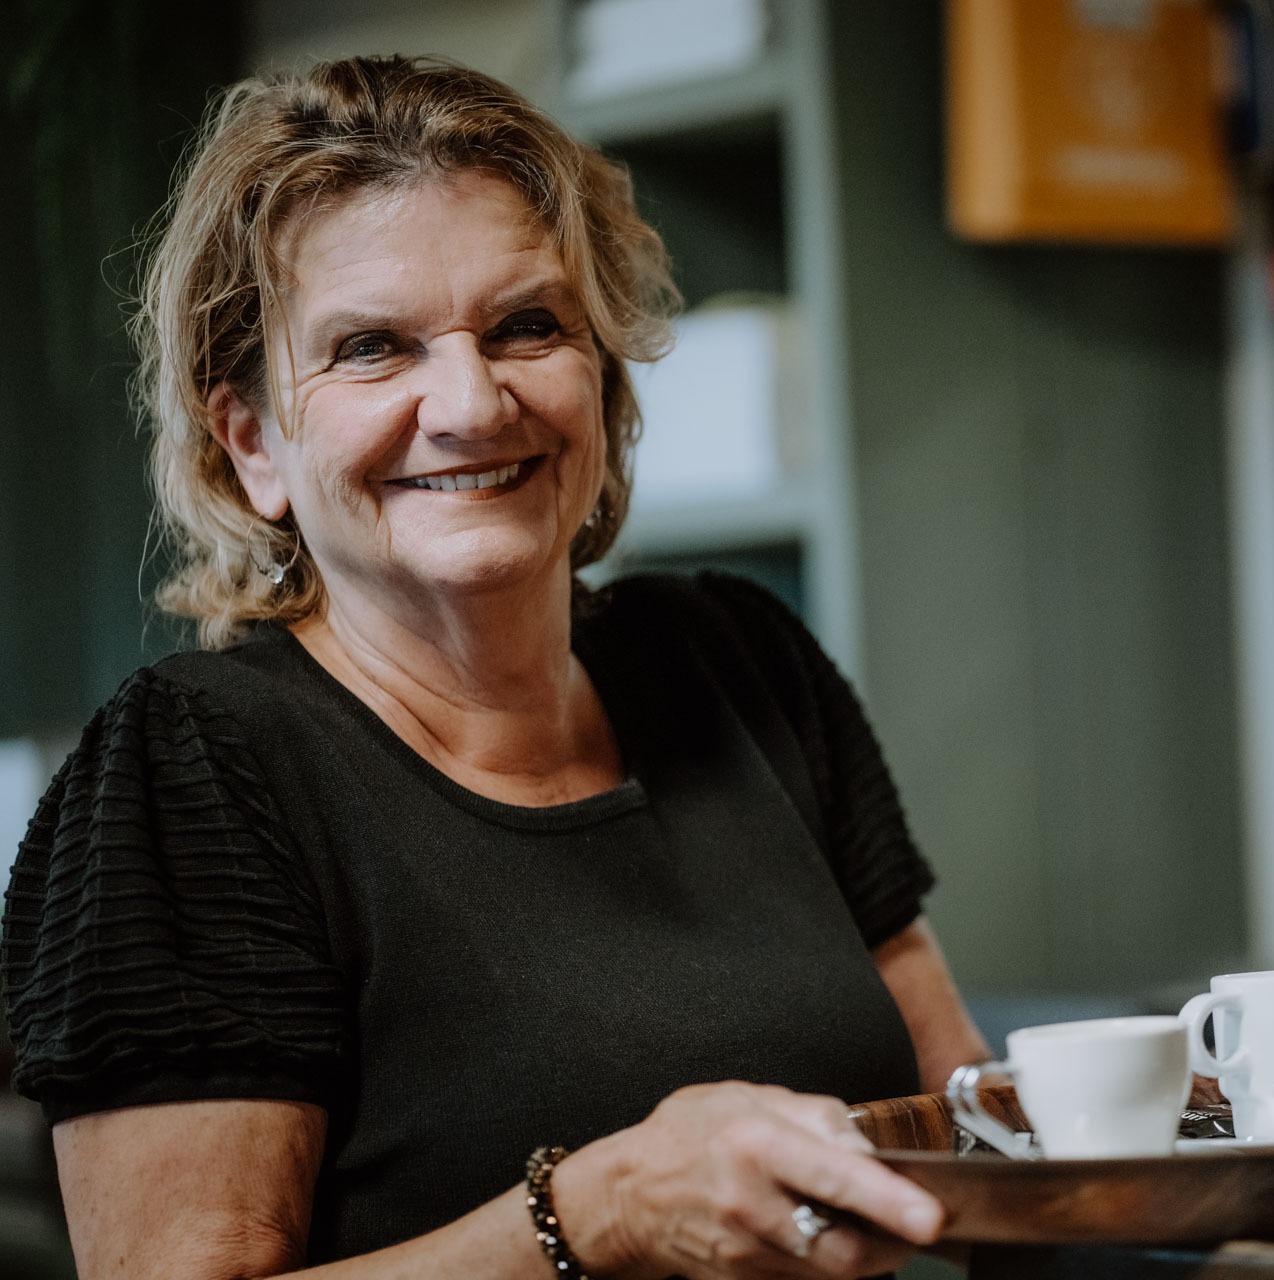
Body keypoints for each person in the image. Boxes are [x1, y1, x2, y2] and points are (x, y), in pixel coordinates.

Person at [1, 55, 988, 1280]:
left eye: (528, 325)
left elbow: (970, 1123)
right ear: (252, 442)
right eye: (373, 346)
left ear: (602, 376)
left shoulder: (739, 656)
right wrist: (599, 1210)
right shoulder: (191, 777)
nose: (470, 403)